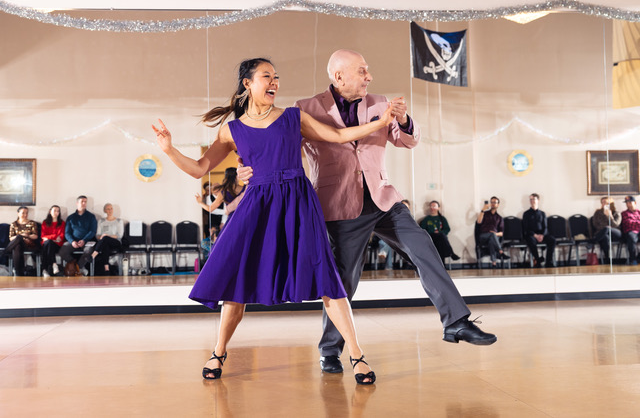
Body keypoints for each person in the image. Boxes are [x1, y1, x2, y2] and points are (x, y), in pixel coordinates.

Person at [239, 50, 496, 375]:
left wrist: (404, 120)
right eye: (361, 71)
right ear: (339, 76)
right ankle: (330, 350)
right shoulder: (306, 108)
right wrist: (246, 169)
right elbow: (276, 146)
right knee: (343, 281)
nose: (369, 77)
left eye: (368, 70)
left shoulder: (380, 103)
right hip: (339, 204)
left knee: (423, 247)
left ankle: (456, 321)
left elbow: (408, 141)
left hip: (384, 199)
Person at [153, 57, 397, 384]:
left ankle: (356, 355)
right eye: (267, 76)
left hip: (298, 202)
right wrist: (169, 149)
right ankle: (219, 351)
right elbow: (199, 169)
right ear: (248, 83)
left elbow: (338, 136)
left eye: (276, 77)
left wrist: (381, 123)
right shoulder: (231, 131)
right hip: (257, 205)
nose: (274, 82)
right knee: (237, 280)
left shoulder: (293, 117)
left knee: (327, 276)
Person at [59, 195, 97, 276]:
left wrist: (84, 240)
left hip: (86, 241)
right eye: (82, 201)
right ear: (77, 203)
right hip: (73, 241)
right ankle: (77, 266)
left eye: (85, 202)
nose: (84, 203)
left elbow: (93, 231)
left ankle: (78, 268)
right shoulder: (70, 217)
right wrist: (72, 241)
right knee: (62, 251)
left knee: (89, 251)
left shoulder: (91, 216)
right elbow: (67, 233)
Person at [1, 207, 39, 277]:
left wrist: (28, 235)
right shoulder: (14, 224)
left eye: (26, 213)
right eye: (23, 213)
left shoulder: (32, 223)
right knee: (17, 245)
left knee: (19, 238)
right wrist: (21, 235)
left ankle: (4, 253)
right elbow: (11, 238)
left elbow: (35, 236)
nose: (25, 215)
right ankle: (18, 272)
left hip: (29, 244)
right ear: (18, 213)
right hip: (18, 244)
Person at [522, 193, 556, 268]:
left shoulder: (542, 213)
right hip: (532, 235)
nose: (532, 201)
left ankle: (548, 262)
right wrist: (535, 236)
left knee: (552, 240)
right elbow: (526, 228)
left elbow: (545, 227)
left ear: (538, 200)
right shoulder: (526, 214)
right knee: (531, 241)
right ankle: (538, 261)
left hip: (542, 234)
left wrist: (542, 235)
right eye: (531, 199)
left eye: (534, 199)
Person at [90, 203, 124, 275]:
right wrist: (102, 237)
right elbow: (98, 235)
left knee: (105, 238)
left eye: (111, 208)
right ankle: (106, 268)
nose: (110, 210)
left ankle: (94, 254)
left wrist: (107, 236)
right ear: (105, 211)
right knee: (105, 244)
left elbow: (119, 235)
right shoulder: (101, 221)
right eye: (108, 209)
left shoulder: (119, 221)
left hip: (116, 242)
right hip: (104, 242)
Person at [477, 197, 510, 268]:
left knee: (492, 240)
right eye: (491, 202)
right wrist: (483, 210)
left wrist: (495, 234)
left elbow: (501, 233)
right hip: (483, 236)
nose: (493, 204)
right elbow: (479, 222)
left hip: (493, 237)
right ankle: (501, 251)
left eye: (495, 202)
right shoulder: (484, 213)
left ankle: (494, 263)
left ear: (498, 205)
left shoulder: (499, 218)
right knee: (492, 236)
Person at [592, 196, 621, 262]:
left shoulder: (616, 213)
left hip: (615, 233)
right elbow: (595, 225)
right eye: (602, 202)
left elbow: (616, 225)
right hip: (602, 233)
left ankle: (593, 241)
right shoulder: (598, 213)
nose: (603, 204)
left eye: (605, 202)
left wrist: (610, 216)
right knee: (605, 237)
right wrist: (605, 227)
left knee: (607, 229)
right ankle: (607, 258)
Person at [40, 205, 65, 277]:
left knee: (48, 244)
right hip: (47, 244)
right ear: (50, 211)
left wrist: (49, 238)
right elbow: (43, 236)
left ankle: (44, 270)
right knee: (49, 243)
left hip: (57, 245)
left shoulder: (62, 223)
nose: (56, 212)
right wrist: (54, 237)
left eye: (58, 211)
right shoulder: (45, 222)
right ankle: (54, 264)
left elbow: (61, 237)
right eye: (54, 211)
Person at [620, 196, 640, 265]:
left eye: (630, 203)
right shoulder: (624, 213)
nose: (628, 204)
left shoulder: (639, 212)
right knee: (631, 237)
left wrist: (635, 223)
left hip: (639, 231)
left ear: (635, 203)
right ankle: (633, 259)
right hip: (630, 232)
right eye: (627, 203)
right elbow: (628, 223)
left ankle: (638, 257)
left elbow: (632, 222)